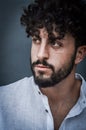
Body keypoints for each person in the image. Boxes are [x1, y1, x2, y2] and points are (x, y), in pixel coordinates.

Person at [0, 0, 86, 130]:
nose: (41, 54)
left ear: (79, 54)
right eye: (36, 40)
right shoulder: (3, 102)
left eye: (55, 43)